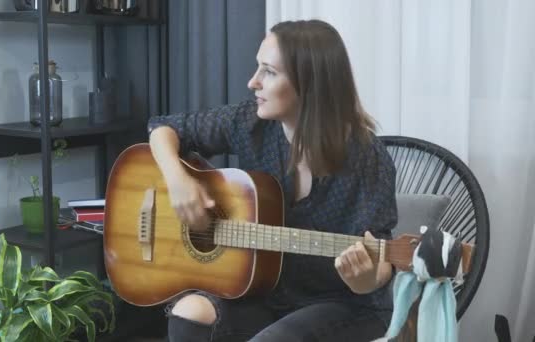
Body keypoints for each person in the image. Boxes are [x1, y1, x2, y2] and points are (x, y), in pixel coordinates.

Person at [147, 19, 398, 342]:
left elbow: (378, 270)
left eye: (269, 71)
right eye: (257, 68)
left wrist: (363, 277)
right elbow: (162, 128)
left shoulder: (367, 157)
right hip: (268, 294)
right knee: (189, 312)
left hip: (344, 305)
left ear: (309, 83)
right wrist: (177, 179)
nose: (253, 82)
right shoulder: (250, 124)